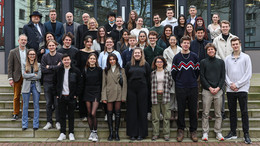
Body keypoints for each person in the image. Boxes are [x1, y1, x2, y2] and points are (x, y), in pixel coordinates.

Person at [171, 36, 200, 142]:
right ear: (181, 44)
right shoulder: (177, 57)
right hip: (180, 87)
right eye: (184, 43)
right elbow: (173, 73)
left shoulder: (194, 56)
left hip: (192, 87)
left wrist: (191, 80)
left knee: (193, 110)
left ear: (189, 44)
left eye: (188, 43)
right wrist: (180, 81)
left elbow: (197, 72)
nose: (186, 44)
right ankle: (181, 130)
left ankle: (193, 131)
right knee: (181, 110)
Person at [224, 37, 252, 144]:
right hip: (230, 89)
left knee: (244, 112)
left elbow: (248, 74)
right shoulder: (227, 59)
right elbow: (225, 73)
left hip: (242, 89)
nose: (235, 46)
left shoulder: (246, 57)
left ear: (240, 44)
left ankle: (246, 134)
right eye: (233, 44)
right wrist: (231, 84)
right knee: (232, 112)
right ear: (231, 46)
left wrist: (238, 84)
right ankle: (233, 132)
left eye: (237, 44)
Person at [213, 20, 238, 119]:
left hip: (233, 68)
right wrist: (222, 62)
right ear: (220, 28)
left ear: (229, 27)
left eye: (226, 26)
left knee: (234, 90)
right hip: (220, 68)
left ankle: (233, 112)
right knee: (221, 93)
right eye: (223, 27)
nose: (225, 28)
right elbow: (214, 52)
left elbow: (237, 51)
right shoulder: (216, 40)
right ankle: (222, 112)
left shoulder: (234, 38)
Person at [200, 43, 225, 141]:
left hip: (218, 91)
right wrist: (209, 88)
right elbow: (202, 76)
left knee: (218, 113)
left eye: (212, 49)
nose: (210, 51)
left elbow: (223, 77)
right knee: (205, 113)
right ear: (207, 51)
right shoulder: (203, 62)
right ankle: (205, 132)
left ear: (215, 50)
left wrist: (218, 88)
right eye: (209, 49)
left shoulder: (221, 62)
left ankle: (218, 132)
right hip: (207, 91)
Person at [54, 54, 82, 141]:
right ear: (62, 61)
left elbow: (80, 84)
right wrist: (57, 94)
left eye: (68, 60)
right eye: (65, 60)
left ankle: (71, 133)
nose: (66, 61)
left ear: (70, 60)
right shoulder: (58, 70)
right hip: (61, 96)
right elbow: (54, 82)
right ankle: (62, 133)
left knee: (71, 116)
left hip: (71, 97)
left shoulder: (76, 71)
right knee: (62, 116)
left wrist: (76, 94)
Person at [125, 48, 151, 141]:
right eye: (135, 53)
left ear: (141, 54)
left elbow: (148, 78)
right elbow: (126, 77)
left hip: (142, 90)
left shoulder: (146, 64)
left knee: (142, 111)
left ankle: (141, 133)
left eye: (138, 53)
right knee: (132, 112)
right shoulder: (129, 64)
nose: (137, 54)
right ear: (133, 54)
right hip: (131, 90)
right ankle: (132, 134)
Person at [102, 54, 127, 141]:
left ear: (116, 60)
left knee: (117, 113)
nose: (112, 61)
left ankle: (116, 132)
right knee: (109, 113)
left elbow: (124, 84)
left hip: (118, 93)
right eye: (110, 59)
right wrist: (104, 97)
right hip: (109, 93)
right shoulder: (105, 70)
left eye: (113, 59)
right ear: (108, 61)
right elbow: (103, 85)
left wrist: (124, 96)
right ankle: (111, 132)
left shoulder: (121, 70)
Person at [75, 36, 99, 121]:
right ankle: (83, 114)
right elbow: (77, 65)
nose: (89, 43)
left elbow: (97, 64)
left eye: (90, 42)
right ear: (84, 42)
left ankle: (92, 114)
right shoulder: (79, 52)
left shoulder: (95, 52)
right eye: (87, 41)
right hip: (82, 77)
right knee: (82, 96)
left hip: (92, 77)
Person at [41, 40, 62, 130]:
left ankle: (58, 122)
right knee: (48, 103)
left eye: (53, 45)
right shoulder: (44, 57)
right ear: (47, 47)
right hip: (47, 82)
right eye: (49, 45)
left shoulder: (60, 56)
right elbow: (43, 70)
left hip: (57, 83)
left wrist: (50, 67)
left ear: (56, 46)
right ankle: (49, 122)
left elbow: (60, 68)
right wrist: (55, 67)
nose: (51, 47)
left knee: (57, 104)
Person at [150, 56, 173, 141]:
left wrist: (165, 90)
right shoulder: (153, 73)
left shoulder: (167, 72)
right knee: (155, 117)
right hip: (155, 96)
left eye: (161, 62)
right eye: (157, 62)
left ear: (163, 63)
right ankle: (155, 134)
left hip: (165, 96)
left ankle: (166, 134)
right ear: (155, 63)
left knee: (166, 117)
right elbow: (151, 84)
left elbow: (170, 83)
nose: (159, 63)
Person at [82, 53, 102, 142]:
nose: (92, 60)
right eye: (91, 59)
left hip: (96, 91)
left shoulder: (99, 70)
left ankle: (95, 132)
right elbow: (82, 82)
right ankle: (92, 132)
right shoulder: (85, 69)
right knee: (89, 113)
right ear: (88, 60)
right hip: (87, 91)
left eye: (94, 59)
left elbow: (102, 82)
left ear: (96, 60)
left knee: (94, 113)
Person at [8, 34, 28, 120]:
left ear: (26, 42)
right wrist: (10, 78)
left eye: (25, 40)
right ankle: (15, 113)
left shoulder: (29, 51)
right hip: (16, 76)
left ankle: (24, 113)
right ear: (18, 41)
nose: (23, 41)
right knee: (16, 96)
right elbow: (10, 66)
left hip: (26, 76)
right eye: (22, 40)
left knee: (25, 96)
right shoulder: (13, 52)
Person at [21, 49, 41, 131]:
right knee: (25, 105)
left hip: (35, 86)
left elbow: (39, 76)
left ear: (35, 55)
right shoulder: (24, 64)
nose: (32, 56)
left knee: (36, 105)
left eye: (33, 54)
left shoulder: (38, 65)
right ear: (28, 55)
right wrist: (33, 75)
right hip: (26, 86)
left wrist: (28, 75)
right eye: (30, 54)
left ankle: (35, 124)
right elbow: (23, 76)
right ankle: (24, 125)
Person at [163, 35, 182, 120]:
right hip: (169, 72)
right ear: (169, 41)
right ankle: (171, 111)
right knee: (171, 93)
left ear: (176, 41)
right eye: (171, 40)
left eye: (174, 40)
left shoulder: (180, 49)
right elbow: (164, 62)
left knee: (178, 93)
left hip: (180, 73)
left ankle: (177, 110)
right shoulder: (166, 50)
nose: (172, 41)